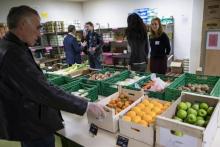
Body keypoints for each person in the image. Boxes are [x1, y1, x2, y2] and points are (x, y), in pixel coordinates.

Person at [0, 5, 105, 147]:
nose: (40, 34)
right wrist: (84, 105)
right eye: (37, 27)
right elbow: (42, 90)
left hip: (27, 121)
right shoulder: (13, 54)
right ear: (23, 25)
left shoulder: (10, 46)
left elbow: (36, 84)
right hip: (33, 125)